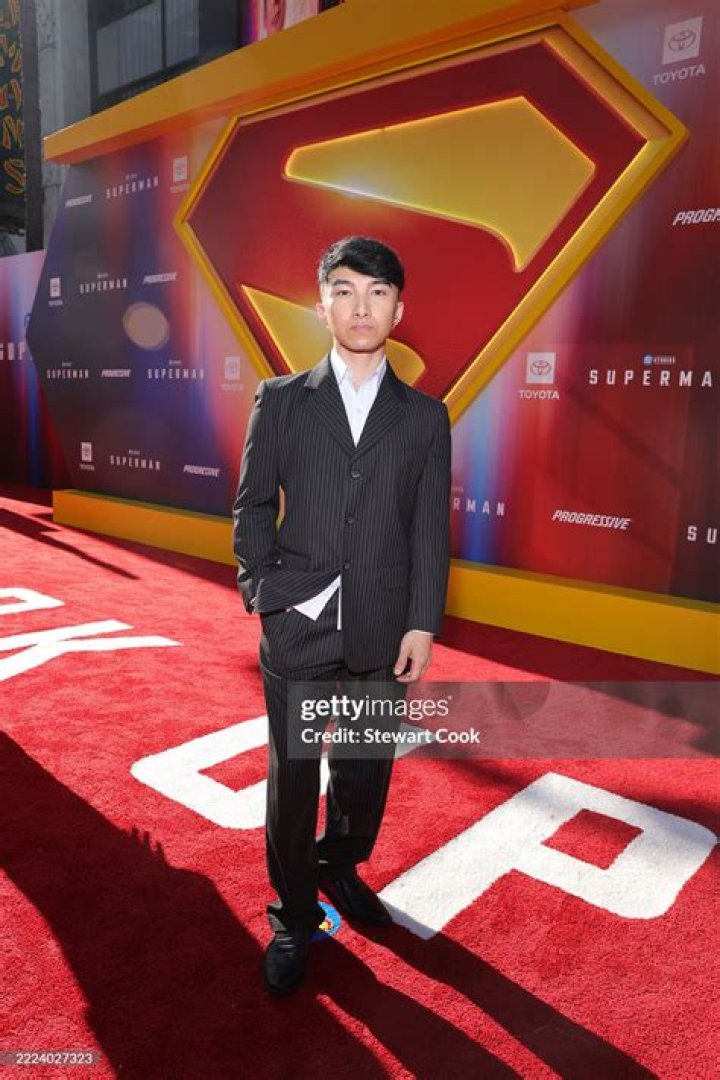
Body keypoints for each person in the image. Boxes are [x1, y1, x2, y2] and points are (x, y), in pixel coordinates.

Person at [233, 236, 451, 994]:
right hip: (297, 624)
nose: (362, 307)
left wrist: (422, 621)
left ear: (399, 309)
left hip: (382, 627)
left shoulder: (424, 417)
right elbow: (252, 505)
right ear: (322, 306)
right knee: (294, 776)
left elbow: (429, 528)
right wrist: (265, 593)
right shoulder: (282, 400)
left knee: (364, 768)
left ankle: (341, 866)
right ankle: (295, 914)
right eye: (346, 291)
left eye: (378, 292)